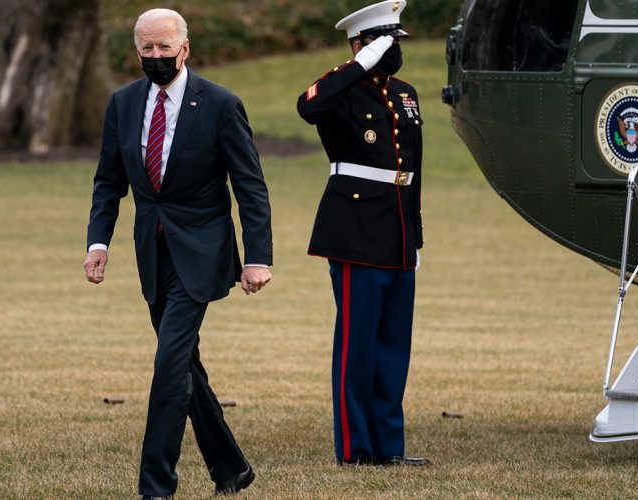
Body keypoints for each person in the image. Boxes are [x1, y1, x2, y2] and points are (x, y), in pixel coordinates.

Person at [82, 8, 271, 498]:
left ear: (184, 49)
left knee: (168, 363)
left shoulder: (220, 104)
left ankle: (156, 485)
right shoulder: (122, 103)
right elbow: (108, 182)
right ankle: (231, 469)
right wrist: (98, 243)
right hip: (153, 252)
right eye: (147, 48)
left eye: (165, 47)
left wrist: (258, 256)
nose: (156, 56)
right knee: (184, 363)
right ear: (137, 50)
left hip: (203, 250)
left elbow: (250, 187)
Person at [296, 0, 427, 467]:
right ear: (361, 44)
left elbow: (413, 168)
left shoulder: (406, 93)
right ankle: (356, 450)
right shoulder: (342, 90)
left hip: (396, 231)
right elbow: (307, 106)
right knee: (358, 347)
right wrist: (358, 64)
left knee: (393, 348)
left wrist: (415, 234)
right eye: (385, 43)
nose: (394, 51)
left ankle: (390, 448)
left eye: (397, 42)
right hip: (355, 231)